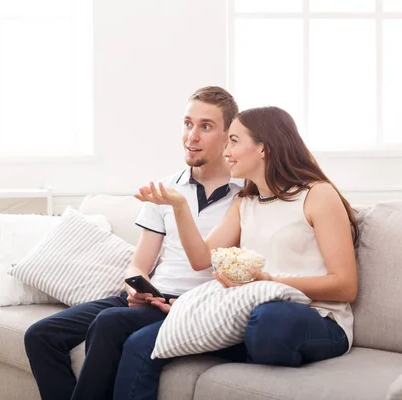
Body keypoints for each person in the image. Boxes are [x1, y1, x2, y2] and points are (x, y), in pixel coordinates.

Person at [120, 106, 358, 400]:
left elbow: (346, 286)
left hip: (318, 318)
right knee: (140, 344)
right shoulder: (245, 203)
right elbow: (201, 260)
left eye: (234, 141)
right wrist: (179, 206)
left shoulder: (317, 194)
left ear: (263, 148)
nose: (226, 151)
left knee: (270, 321)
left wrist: (266, 281)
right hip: (249, 314)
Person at [23, 86, 242, 400]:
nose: (191, 135)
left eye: (205, 126)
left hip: (189, 307)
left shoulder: (245, 195)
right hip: (151, 299)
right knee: (40, 335)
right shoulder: (165, 188)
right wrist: (134, 288)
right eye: (187, 123)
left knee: (109, 323)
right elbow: (139, 264)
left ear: (228, 136)